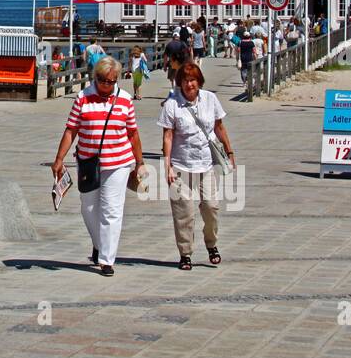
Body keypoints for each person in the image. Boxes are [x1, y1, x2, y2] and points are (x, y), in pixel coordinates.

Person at [50, 56, 146, 277]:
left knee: (112, 211)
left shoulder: (125, 99)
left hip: (118, 162)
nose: (107, 86)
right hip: (88, 162)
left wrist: (139, 162)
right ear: (96, 78)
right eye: (103, 81)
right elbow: (71, 129)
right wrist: (59, 159)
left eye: (112, 81)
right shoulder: (83, 97)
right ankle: (99, 243)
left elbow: (132, 132)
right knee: (89, 207)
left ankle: (106, 260)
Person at [159, 62, 235, 270]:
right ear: (180, 83)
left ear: (199, 81)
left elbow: (219, 127)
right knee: (185, 212)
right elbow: (167, 135)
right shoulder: (172, 104)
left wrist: (229, 151)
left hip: (205, 163)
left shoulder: (210, 99)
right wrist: (167, 165)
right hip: (180, 164)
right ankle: (185, 253)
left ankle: (211, 243)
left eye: (192, 80)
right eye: (185, 81)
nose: (189, 84)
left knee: (211, 207)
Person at [238, 29, 256, 99]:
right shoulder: (251, 43)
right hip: (249, 58)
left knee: (243, 70)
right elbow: (254, 51)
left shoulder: (240, 42)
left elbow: (238, 50)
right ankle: (248, 80)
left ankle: (244, 81)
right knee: (250, 70)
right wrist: (255, 58)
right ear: (249, 36)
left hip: (243, 58)